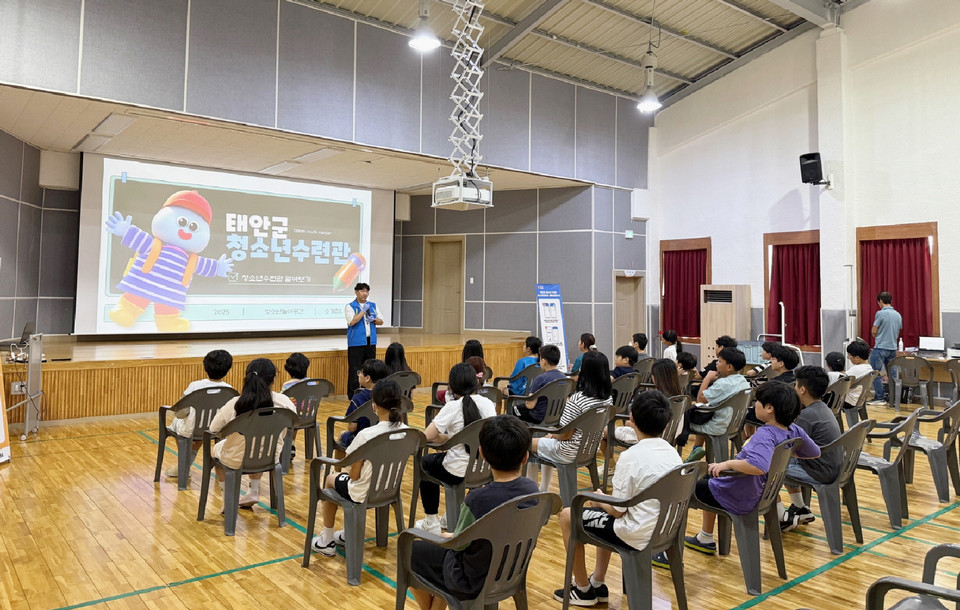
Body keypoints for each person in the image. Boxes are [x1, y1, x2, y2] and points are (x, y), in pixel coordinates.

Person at [554, 391, 683, 605]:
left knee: (569, 515)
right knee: (600, 507)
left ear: (631, 418)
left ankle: (582, 588)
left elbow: (617, 511)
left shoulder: (630, 457)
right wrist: (601, 501)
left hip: (637, 532)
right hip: (666, 528)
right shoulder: (673, 453)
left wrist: (598, 498)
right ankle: (598, 581)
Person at [408, 415, 539, 610]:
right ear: (525, 457)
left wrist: (452, 537)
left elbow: (459, 545)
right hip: (511, 570)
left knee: (412, 551)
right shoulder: (533, 490)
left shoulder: (477, 499)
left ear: (482, 454)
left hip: (471, 579)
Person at [684, 381, 820, 556]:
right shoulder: (793, 430)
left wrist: (728, 464)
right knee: (709, 479)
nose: (754, 404)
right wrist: (785, 453)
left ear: (769, 408)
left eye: (757, 401)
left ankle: (669, 551)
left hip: (738, 494)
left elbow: (758, 466)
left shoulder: (765, 433)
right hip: (762, 494)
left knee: (683, 490)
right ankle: (705, 537)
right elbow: (814, 452)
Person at [310, 379, 409, 556]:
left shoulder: (366, 435)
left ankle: (326, 539)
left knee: (330, 479)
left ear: (374, 406)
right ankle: (346, 535)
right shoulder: (407, 431)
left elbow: (354, 476)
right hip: (389, 488)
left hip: (364, 492)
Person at [414, 363, 498, 535]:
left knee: (424, 463)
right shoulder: (488, 403)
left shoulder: (452, 406)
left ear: (451, 386)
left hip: (457, 471)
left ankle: (431, 521)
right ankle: (453, 515)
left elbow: (425, 437)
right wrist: (449, 439)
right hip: (485, 467)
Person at [208, 358, 297, 507]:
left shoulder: (236, 403)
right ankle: (253, 490)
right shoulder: (284, 402)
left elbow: (213, 429)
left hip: (235, 459)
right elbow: (294, 421)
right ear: (274, 379)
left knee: (216, 451)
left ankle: (227, 500)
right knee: (261, 446)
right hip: (270, 457)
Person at [530, 351, 612, 492]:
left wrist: (552, 434)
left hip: (568, 451)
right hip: (591, 448)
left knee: (528, 443)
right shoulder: (608, 399)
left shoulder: (578, 399)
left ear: (584, 371)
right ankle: (543, 488)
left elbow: (564, 435)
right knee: (545, 441)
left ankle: (533, 491)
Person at [779, 366, 842, 531]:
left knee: (768, 468)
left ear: (801, 390)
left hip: (820, 472)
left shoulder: (807, 417)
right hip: (831, 466)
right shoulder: (822, 408)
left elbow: (788, 448)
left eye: (795, 386)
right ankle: (800, 508)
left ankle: (781, 517)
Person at [165, 349, 234, 477]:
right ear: (228, 369)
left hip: (193, 429)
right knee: (202, 429)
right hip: (215, 429)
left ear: (205, 366)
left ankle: (183, 466)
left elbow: (180, 412)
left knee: (179, 424)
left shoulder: (195, 386)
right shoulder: (230, 390)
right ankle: (185, 465)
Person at [679, 347, 750, 462]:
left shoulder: (723, 383)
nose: (716, 363)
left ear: (729, 367)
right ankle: (699, 453)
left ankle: (685, 457)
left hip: (717, 425)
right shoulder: (743, 380)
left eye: (720, 361)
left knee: (680, 421)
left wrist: (707, 378)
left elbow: (700, 399)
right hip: (734, 424)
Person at [614, 358, 681, 446]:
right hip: (668, 437)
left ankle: (611, 460)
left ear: (655, 377)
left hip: (646, 436)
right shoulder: (679, 397)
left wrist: (629, 423)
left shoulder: (656, 399)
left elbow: (648, 428)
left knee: (606, 431)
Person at [336, 358, 389, 457]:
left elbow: (352, 428)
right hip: (384, 436)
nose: (359, 374)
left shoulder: (358, 398)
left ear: (367, 378)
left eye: (360, 372)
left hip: (363, 439)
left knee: (342, 435)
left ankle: (337, 470)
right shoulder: (388, 394)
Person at [345, 282, 383, 396]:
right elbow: (352, 321)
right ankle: (352, 395)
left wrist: (374, 319)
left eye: (366, 291)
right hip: (356, 342)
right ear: (356, 292)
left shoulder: (373, 305)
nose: (365, 294)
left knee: (369, 368)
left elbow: (381, 321)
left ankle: (367, 392)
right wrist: (363, 311)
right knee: (355, 369)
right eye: (362, 291)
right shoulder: (350, 306)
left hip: (370, 341)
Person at [513, 344, 565, 424]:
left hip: (538, 416)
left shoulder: (541, 379)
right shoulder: (564, 377)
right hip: (557, 416)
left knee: (513, 410)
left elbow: (530, 405)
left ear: (543, 361)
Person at [868, 291, 903, 405]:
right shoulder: (898, 314)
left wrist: (877, 335)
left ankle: (879, 398)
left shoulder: (880, 314)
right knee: (892, 374)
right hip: (893, 348)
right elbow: (898, 329)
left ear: (881, 301)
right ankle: (893, 398)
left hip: (880, 347)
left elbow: (874, 331)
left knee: (875, 373)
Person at [843, 339, 875, 410]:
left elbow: (841, 381)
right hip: (860, 398)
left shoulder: (856, 370)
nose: (849, 358)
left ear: (857, 358)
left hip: (849, 400)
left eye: (849, 356)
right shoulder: (869, 368)